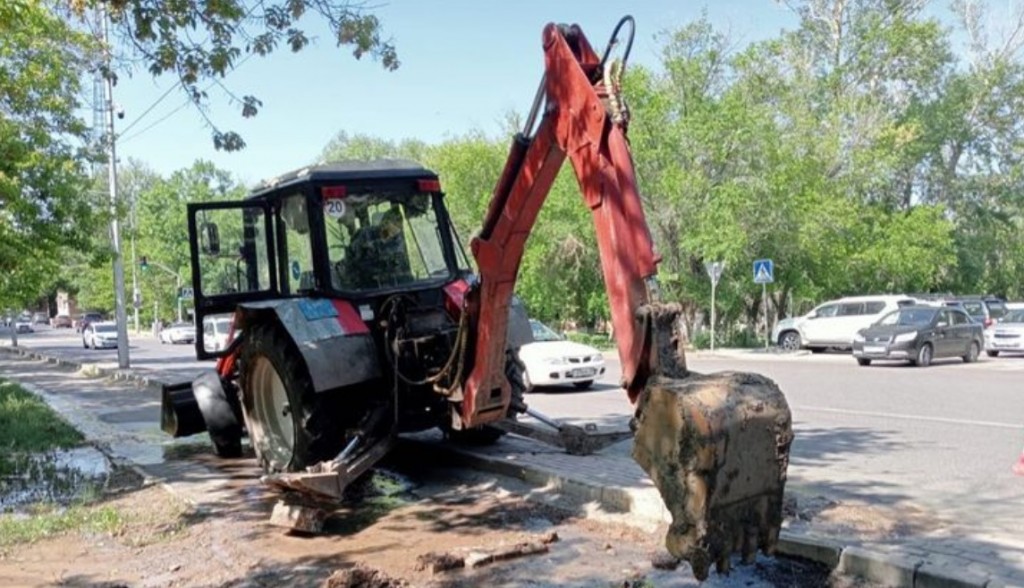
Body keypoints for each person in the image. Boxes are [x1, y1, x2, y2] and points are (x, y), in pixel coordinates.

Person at [344, 207, 412, 288]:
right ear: (384, 222)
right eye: (393, 224)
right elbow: (353, 259)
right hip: (364, 283)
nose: (391, 235)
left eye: (397, 228)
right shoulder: (365, 234)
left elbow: (401, 267)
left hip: (393, 284)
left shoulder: (398, 242)